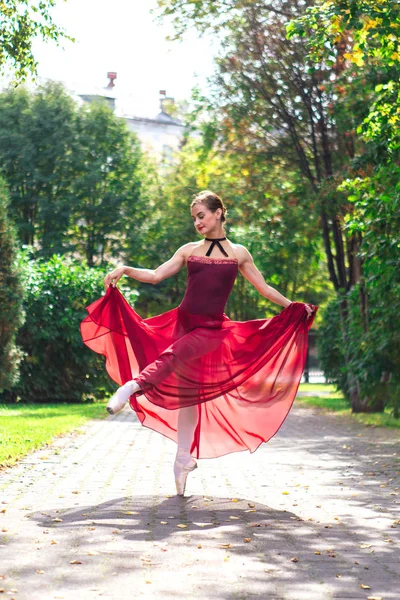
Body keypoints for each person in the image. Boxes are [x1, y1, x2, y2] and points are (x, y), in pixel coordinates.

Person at [80, 190, 316, 496]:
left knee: (173, 356)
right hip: (182, 323)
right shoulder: (188, 250)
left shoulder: (239, 253)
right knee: (188, 397)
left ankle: (130, 387)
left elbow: (264, 288)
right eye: (194, 218)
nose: (197, 222)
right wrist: (124, 269)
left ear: (218, 212)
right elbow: (155, 275)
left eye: (201, 215)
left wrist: (294, 307)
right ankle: (182, 461)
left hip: (211, 330)